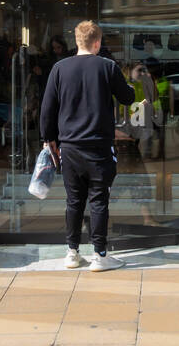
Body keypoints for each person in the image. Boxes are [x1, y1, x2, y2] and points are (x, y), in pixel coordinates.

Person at [40, 20, 135, 271]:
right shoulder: (107, 67)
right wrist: (132, 82)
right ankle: (99, 255)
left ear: (77, 41)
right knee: (98, 200)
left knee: (73, 200)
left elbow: (47, 109)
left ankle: (72, 253)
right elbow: (127, 97)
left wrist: (50, 140)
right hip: (99, 146)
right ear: (98, 42)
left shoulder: (59, 69)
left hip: (69, 146)